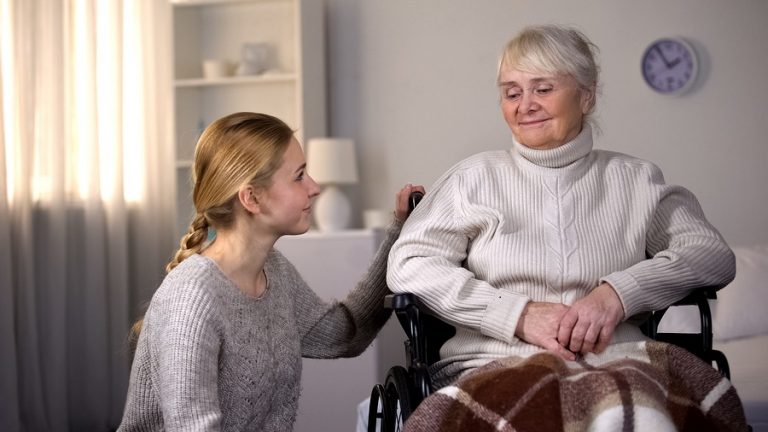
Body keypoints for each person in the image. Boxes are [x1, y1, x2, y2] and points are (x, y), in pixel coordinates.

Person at [387, 25, 747, 431]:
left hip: (620, 358)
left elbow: (710, 252)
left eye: (543, 89)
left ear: (586, 95)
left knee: (631, 403)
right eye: (512, 92)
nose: (526, 105)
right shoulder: (472, 179)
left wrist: (617, 294)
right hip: (494, 362)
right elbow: (410, 262)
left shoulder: (635, 178)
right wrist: (517, 315)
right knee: (545, 406)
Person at [117, 112, 424, 431]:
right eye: (299, 176)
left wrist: (399, 235)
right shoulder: (191, 299)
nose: (315, 187)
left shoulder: (274, 271)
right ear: (251, 198)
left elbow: (344, 335)